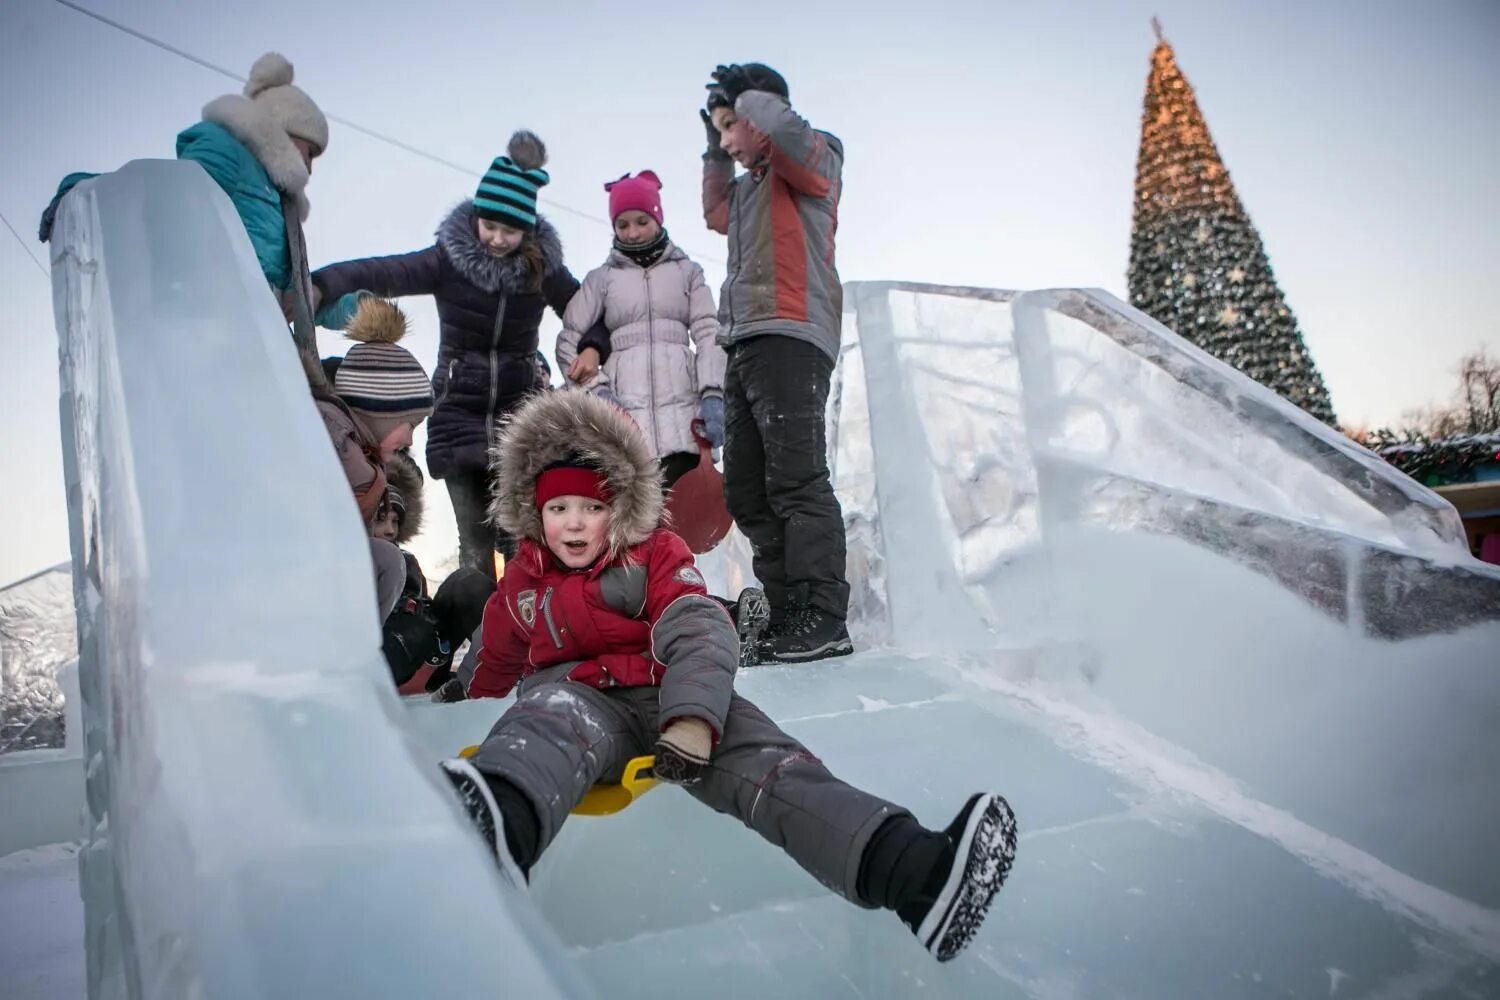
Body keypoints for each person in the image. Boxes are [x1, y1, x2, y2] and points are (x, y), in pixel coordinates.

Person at [436, 389, 1017, 963]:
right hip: (579, 702)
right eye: (558, 508)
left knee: (774, 764)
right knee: (544, 722)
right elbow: (496, 652)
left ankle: (913, 871)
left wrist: (693, 717)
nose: (575, 523)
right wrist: (462, 692)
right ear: (535, 513)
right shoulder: (523, 581)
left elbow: (698, 624)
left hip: (674, 692)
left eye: (592, 507)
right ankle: (496, 827)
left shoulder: (656, 552)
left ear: (620, 506)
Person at [309, 131, 612, 581]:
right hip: (457, 412)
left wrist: (592, 346)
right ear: (475, 218)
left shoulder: (540, 270)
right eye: (488, 225)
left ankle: (527, 635)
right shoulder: (448, 260)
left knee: (520, 542)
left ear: (526, 230)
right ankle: (482, 638)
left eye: (508, 230)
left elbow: (587, 309)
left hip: (519, 418)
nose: (495, 238)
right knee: (474, 548)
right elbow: (385, 271)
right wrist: (321, 284)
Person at [699, 63, 852, 663]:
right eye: (722, 131)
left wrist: (749, 98)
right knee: (747, 488)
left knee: (796, 479)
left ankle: (822, 613)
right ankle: (789, 611)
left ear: (762, 115)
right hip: (743, 340)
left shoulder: (817, 160)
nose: (730, 140)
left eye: (733, 126)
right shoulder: (745, 190)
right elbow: (714, 211)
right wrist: (713, 147)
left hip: (792, 333)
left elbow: (789, 138)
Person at [40, 53, 328, 324]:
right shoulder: (228, 150)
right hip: (210, 322)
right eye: (311, 151)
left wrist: (328, 301)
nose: (310, 165)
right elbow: (165, 195)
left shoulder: (280, 202)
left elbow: (276, 273)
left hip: (254, 330)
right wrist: (78, 193)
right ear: (286, 127)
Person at [556, 170, 726, 490]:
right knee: (637, 530)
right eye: (623, 225)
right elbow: (568, 340)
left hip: (685, 425)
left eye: (642, 222)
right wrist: (598, 392)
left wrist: (713, 392)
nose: (632, 233)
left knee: (686, 527)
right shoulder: (601, 279)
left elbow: (708, 331)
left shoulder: (687, 273)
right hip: (626, 432)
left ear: (658, 219)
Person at [316, 297, 434, 619]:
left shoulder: (360, 452)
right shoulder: (342, 447)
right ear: (380, 411)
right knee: (387, 561)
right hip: (307, 576)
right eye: (408, 425)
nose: (410, 438)